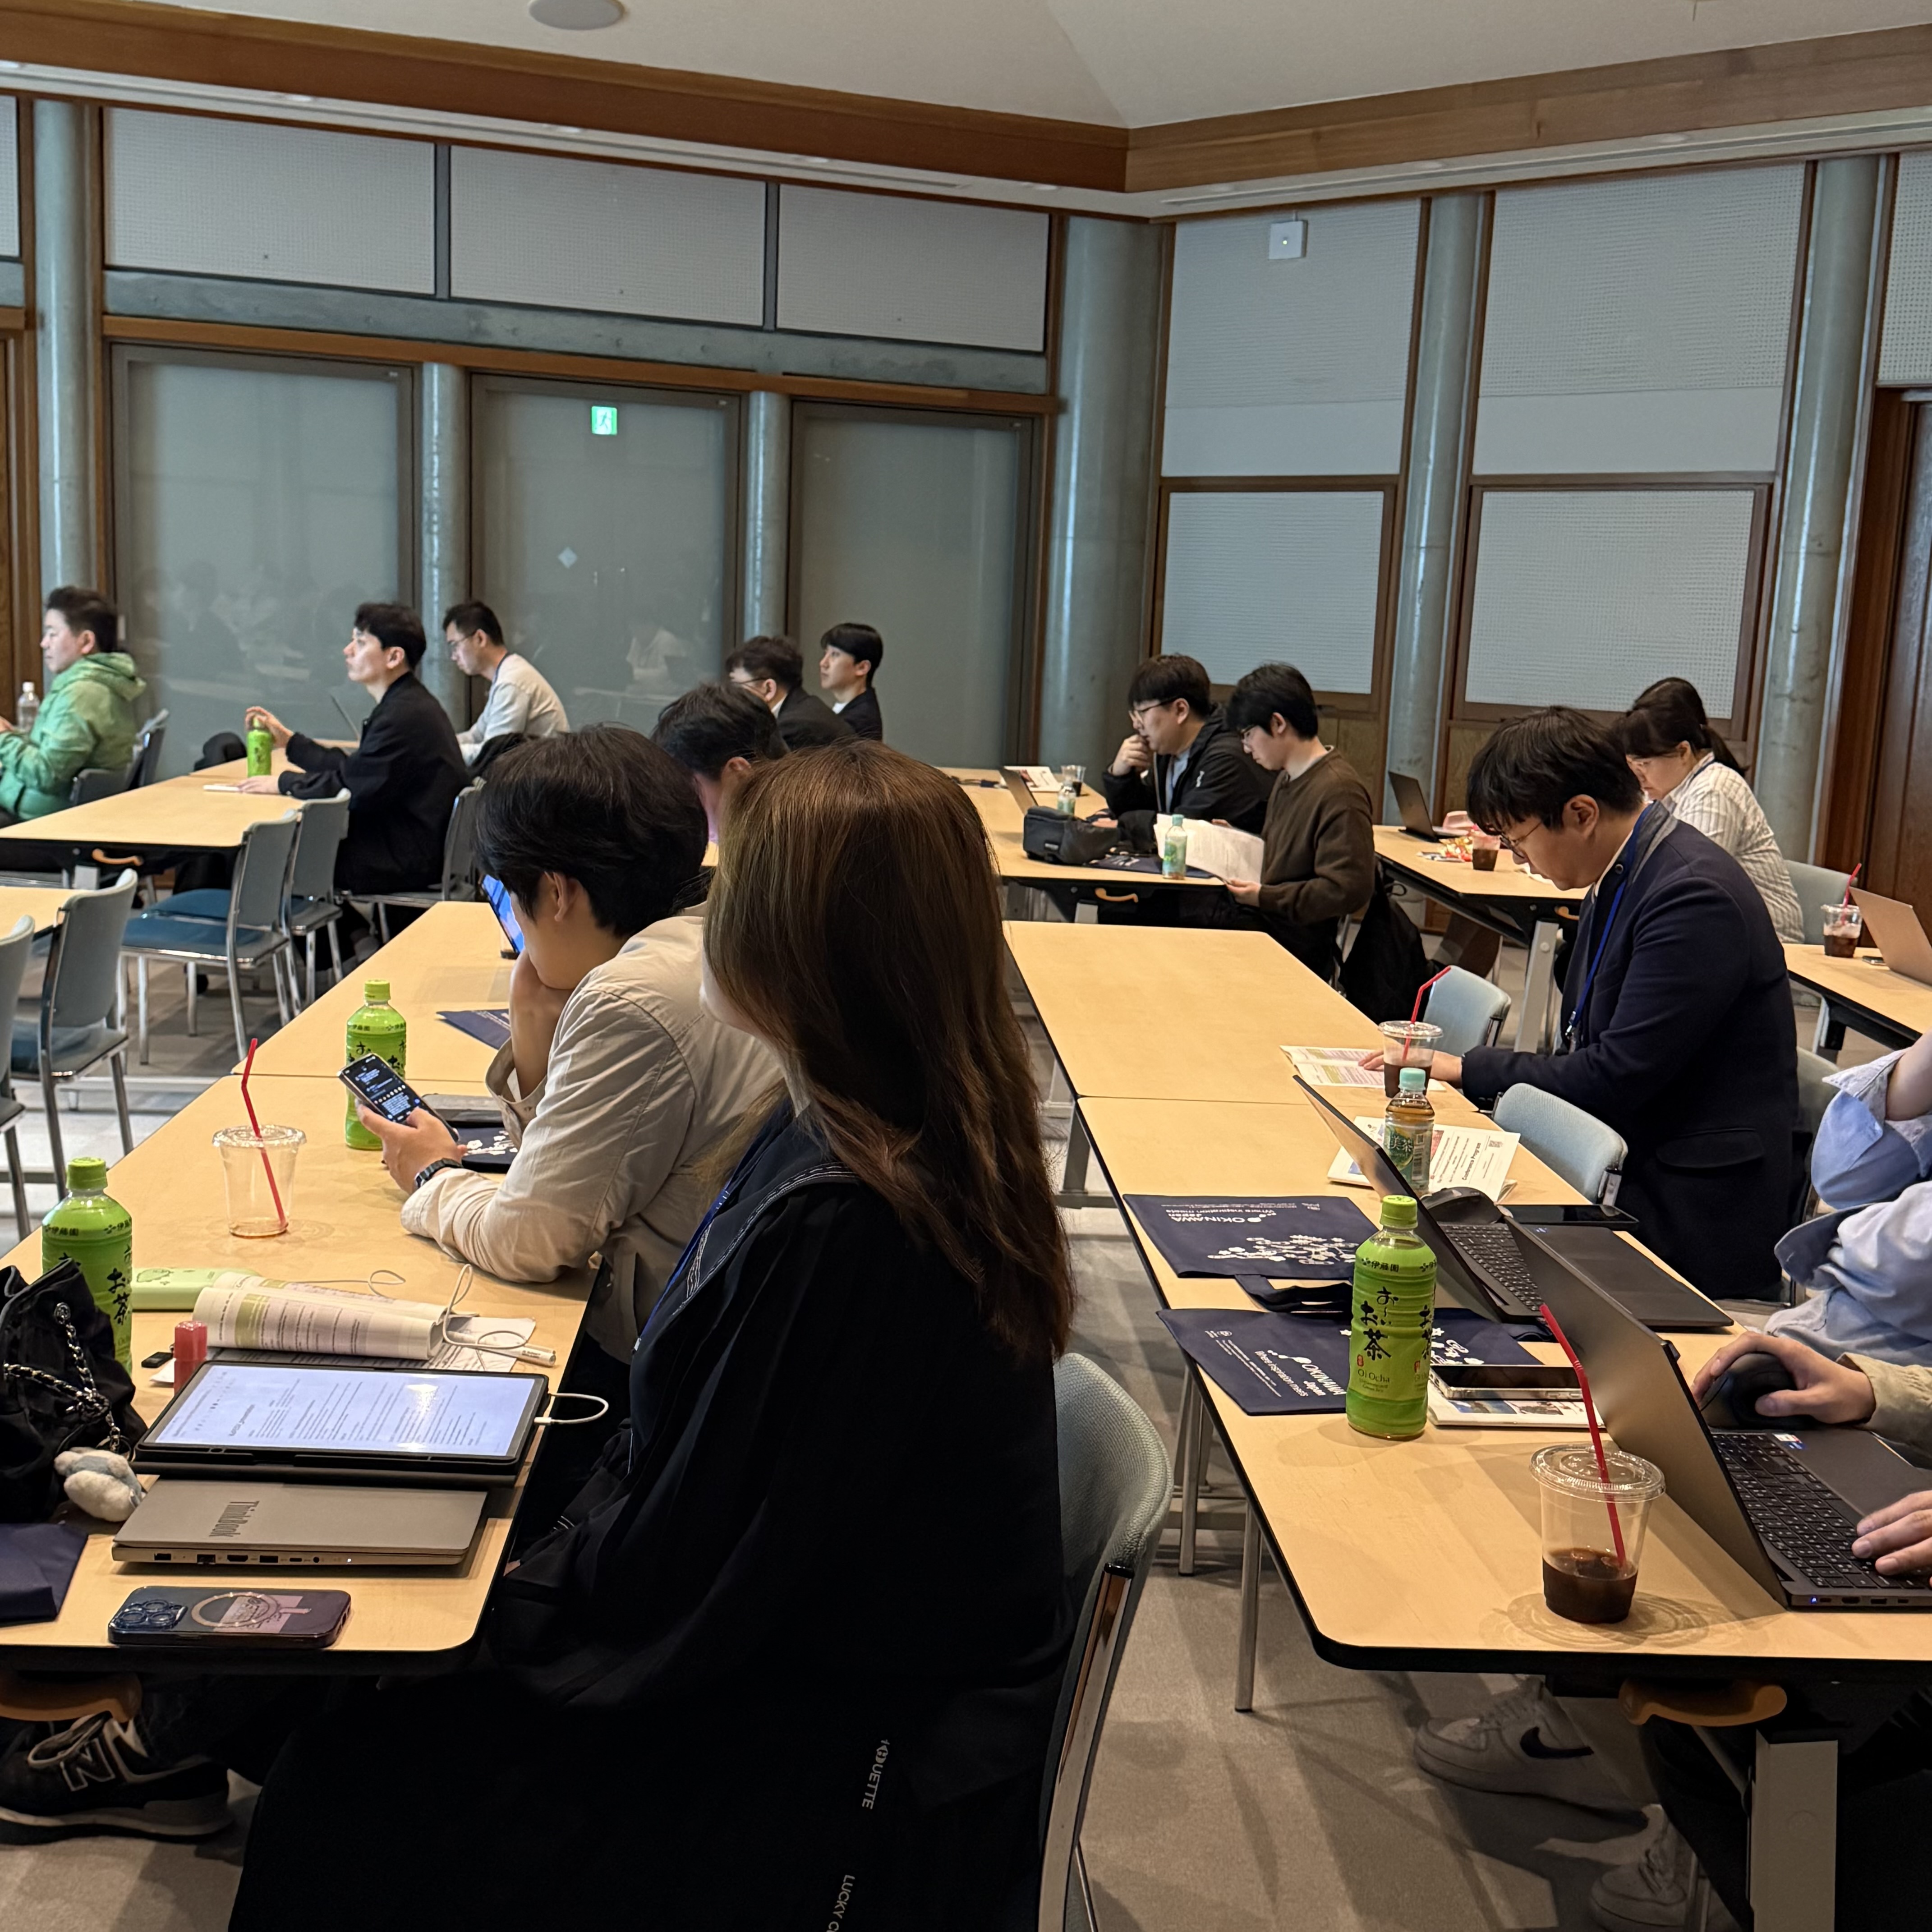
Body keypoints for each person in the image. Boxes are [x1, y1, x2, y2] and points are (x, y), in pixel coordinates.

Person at [109, 742, 1070, 1929]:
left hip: (847, 1745)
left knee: (349, 1771)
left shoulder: (850, 1218)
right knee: (364, 1660)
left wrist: (502, 1608)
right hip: (837, 1654)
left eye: (734, 894)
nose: (705, 921)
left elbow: (708, 1560)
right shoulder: (884, 1127)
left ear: (793, 941)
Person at [348, 727, 778, 1369]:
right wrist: (532, 1038)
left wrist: (432, 1175)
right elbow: (560, 1182)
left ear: (556, 892)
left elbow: (530, 1241)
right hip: (742, 1321)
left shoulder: (632, 999)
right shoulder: (722, 931)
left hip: (664, 1354)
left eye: (514, 898)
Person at [1410, 707, 1797, 1301]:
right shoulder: (1628, 867)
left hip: (1689, 1208)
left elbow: (1615, 1074)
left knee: (1449, 1267)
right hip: (1629, 1156)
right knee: (1436, 1227)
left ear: (1582, 814)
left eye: (1519, 841)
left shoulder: (1692, 896)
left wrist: (1468, 1068)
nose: (1520, 860)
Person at [241, 603, 466, 897]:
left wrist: (283, 783)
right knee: (296, 848)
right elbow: (356, 771)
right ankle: (343, 927)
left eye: (360, 643)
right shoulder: (408, 703)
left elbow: (350, 787)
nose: (348, 651)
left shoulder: (402, 716)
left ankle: (333, 929)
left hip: (405, 857)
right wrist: (290, 743)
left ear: (394, 657)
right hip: (413, 846)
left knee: (272, 856)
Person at [1762, 1026, 1932, 1362]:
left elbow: (1902, 1267)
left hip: (1886, 1364)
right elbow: (1840, 1179)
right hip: (1823, 1333)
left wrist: (1842, 1243)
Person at [1618, 676, 1803, 944]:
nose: (1640, 778)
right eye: (1633, 767)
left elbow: (1688, 885)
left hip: (1767, 945)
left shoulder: (1714, 790)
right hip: (1716, 932)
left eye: (1644, 765)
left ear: (1683, 752)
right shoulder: (1669, 793)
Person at [1218, 662, 1375, 977]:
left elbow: (1347, 889)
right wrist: (1237, 839)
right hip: (1267, 920)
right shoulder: (1288, 777)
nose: (1246, 748)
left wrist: (1264, 897)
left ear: (1278, 724)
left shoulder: (1339, 791)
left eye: (1248, 735)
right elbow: (1285, 858)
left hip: (1294, 942)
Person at [0, 588, 145, 823]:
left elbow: (47, 774)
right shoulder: (98, 685)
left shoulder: (83, 695)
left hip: (35, 825)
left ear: (86, 641)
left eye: (53, 634)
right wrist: (12, 737)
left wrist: (4, 739)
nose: (44, 643)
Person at [1098, 654, 1272, 851]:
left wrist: (1123, 826)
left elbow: (1184, 829)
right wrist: (1121, 777)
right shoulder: (1168, 750)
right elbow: (1146, 811)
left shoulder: (1227, 758)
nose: (1136, 724)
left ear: (1181, 710)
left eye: (1142, 713)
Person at [652, 678, 787, 841]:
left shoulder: (794, 848)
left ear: (739, 777)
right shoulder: (783, 830)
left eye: (690, 798)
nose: (685, 817)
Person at [444, 600, 569, 762]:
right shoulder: (507, 673)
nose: (454, 657)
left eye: (455, 646)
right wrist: (442, 743)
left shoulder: (512, 681)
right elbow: (476, 735)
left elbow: (492, 756)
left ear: (480, 639)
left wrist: (442, 751)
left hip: (545, 774)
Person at [725, 634, 853, 752]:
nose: (733, 693)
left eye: (737, 685)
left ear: (769, 689)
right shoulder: (803, 707)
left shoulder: (793, 727)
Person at [818, 621, 884, 741]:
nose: (823, 663)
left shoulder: (857, 723)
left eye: (835, 655)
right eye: (825, 653)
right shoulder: (853, 710)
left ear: (862, 668)